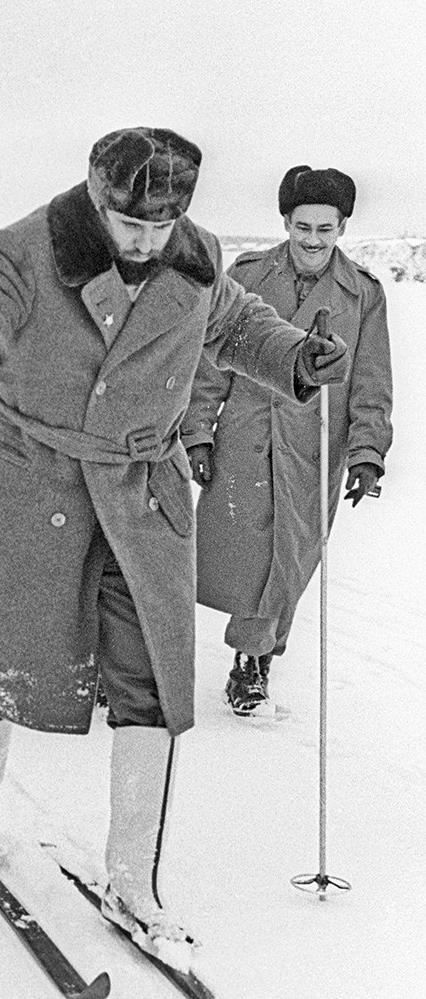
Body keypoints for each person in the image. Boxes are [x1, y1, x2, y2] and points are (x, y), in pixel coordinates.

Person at [0, 127, 349, 966]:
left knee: (153, 683)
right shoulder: (32, 245)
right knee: (5, 660)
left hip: (141, 493)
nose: (148, 241)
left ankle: (133, 882)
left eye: (163, 224)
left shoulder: (194, 258)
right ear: (97, 197)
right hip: (32, 481)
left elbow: (237, 324)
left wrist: (299, 355)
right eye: (131, 225)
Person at [182, 166, 392, 716]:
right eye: (303, 227)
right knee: (222, 553)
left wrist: (368, 453)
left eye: (326, 228)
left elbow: (372, 381)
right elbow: (211, 362)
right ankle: (154, 650)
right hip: (247, 437)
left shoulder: (362, 294)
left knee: (289, 561)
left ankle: (255, 661)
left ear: (342, 227)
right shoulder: (249, 274)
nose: (313, 240)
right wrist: (198, 431)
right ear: (286, 222)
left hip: (315, 447)